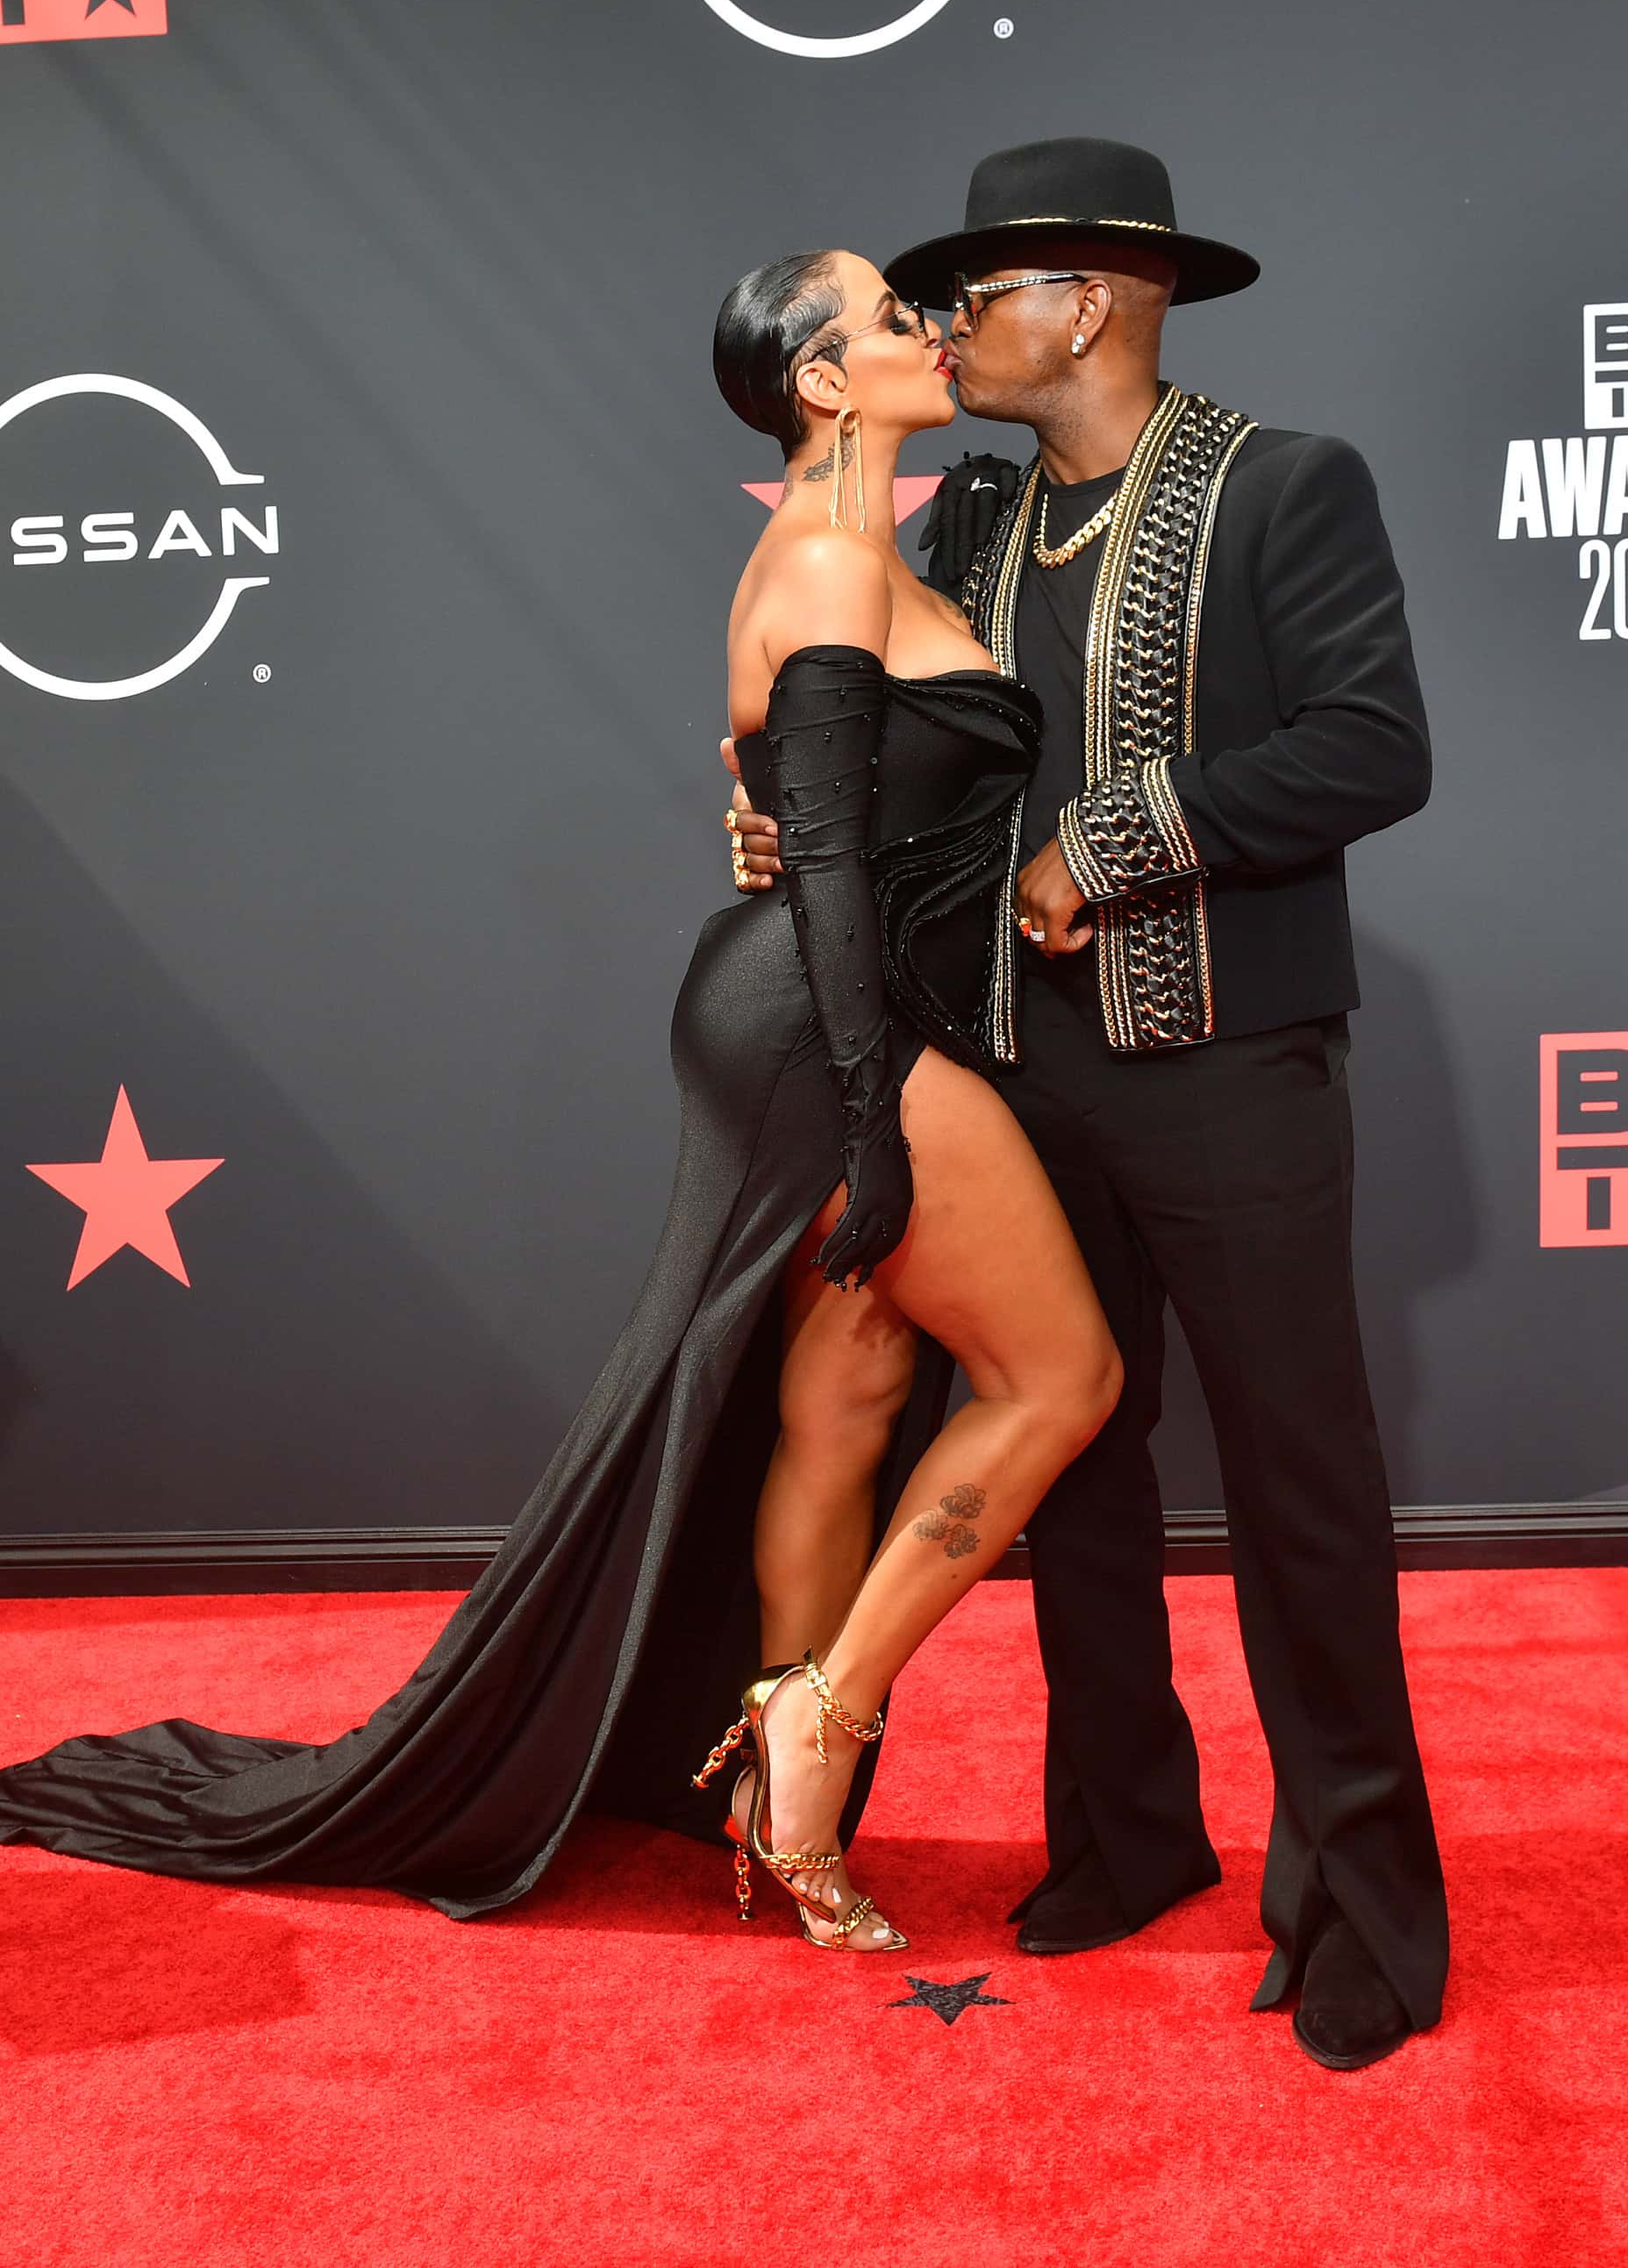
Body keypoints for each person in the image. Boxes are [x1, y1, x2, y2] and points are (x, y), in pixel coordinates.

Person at [0, 249, 1121, 1956]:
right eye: (895, 318)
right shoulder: (823, 554)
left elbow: (789, 803)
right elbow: (814, 844)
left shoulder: (864, 546)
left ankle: (771, 1793)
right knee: (1061, 1376)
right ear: (823, 378)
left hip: (826, 1007)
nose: (930, 330)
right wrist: (870, 1115)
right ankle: (818, 1715)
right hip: (836, 1030)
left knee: (850, 1384)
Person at [728, 137, 1449, 2059]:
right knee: (1084, 1475)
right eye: (933, 304)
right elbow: (875, 732)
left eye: (983, 294)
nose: (952, 326)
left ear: (1094, 304)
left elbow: (1373, 748)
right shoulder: (956, 521)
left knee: (1302, 1490)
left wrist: (1109, 845)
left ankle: (1364, 1904)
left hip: (1231, 1069)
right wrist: (787, 815)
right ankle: (1126, 1839)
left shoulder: (1282, 485)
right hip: (1015, 1079)